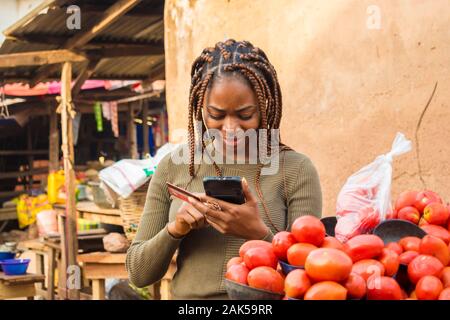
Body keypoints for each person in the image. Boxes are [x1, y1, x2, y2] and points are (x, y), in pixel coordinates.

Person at [126, 39, 322, 299]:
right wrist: (176, 230)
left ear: (265, 107)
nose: (231, 128)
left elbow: (309, 274)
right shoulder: (175, 166)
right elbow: (139, 274)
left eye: (245, 114)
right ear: (200, 109)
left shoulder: (295, 170)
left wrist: (258, 233)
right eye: (217, 115)